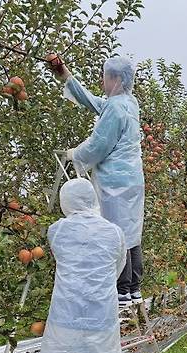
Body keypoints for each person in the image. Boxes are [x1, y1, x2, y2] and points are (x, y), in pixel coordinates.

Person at [51, 55, 144, 306]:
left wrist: (75, 154)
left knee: (118, 230)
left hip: (116, 182)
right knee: (132, 230)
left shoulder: (115, 108)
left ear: (115, 79)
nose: (102, 80)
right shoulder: (128, 102)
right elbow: (96, 103)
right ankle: (134, 287)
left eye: (105, 76)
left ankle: (122, 289)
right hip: (132, 178)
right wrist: (68, 78)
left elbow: (99, 144)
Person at [38, 179, 127, 353]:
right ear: (94, 198)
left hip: (65, 319)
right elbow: (117, 269)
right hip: (103, 318)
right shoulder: (114, 232)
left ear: (66, 201)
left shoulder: (57, 230)